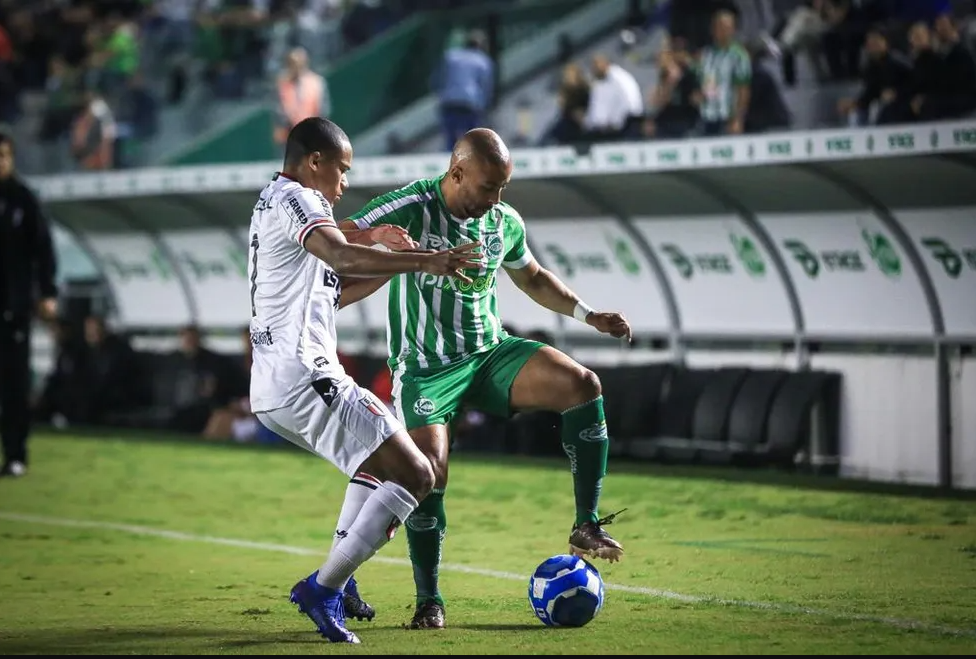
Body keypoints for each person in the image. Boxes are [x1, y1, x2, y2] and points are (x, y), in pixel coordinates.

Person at [340, 128, 632, 630]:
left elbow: (533, 276)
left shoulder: (502, 221)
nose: (495, 199)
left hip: (489, 355)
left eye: (503, 188)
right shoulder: (412, 205)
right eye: (487, 188)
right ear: (456, 174)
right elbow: (338, 233)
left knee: (582, 384)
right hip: (427, 370)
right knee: (429, 473)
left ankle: (585, 524)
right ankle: (429, 600)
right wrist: (375, 239)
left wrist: (588, 315)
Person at [246, 116, 481, 644]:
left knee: (375, 465)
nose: (344, 183)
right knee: (419, 475)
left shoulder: (272, 202)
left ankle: (341, 581)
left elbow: (339, 284)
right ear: (314, 163)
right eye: (342, 169)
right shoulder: (305, 202)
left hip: (276, 383)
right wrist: (428, 261)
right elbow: (341, 254)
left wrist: (375, 239)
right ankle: (323, 588)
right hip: (307, 377)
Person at [0, 130, 59, 478]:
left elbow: (43, 251)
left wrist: (47, 292)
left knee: (13, 387)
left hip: (13, 310)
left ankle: (16, 455)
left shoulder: (24, 200)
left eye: (4, 156)